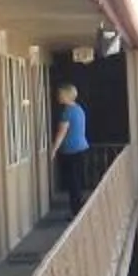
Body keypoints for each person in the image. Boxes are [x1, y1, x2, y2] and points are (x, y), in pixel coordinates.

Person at [53, 80, 91, 213]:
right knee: (77, 182)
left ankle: (76, 211)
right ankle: (78, 209)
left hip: (72, 151)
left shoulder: (67, 112)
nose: (58, 96)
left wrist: (53, 150)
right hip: (82, 148)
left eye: (60, 94)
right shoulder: (79, 109)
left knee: (73, 183)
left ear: (66, 95)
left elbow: (61, 133)